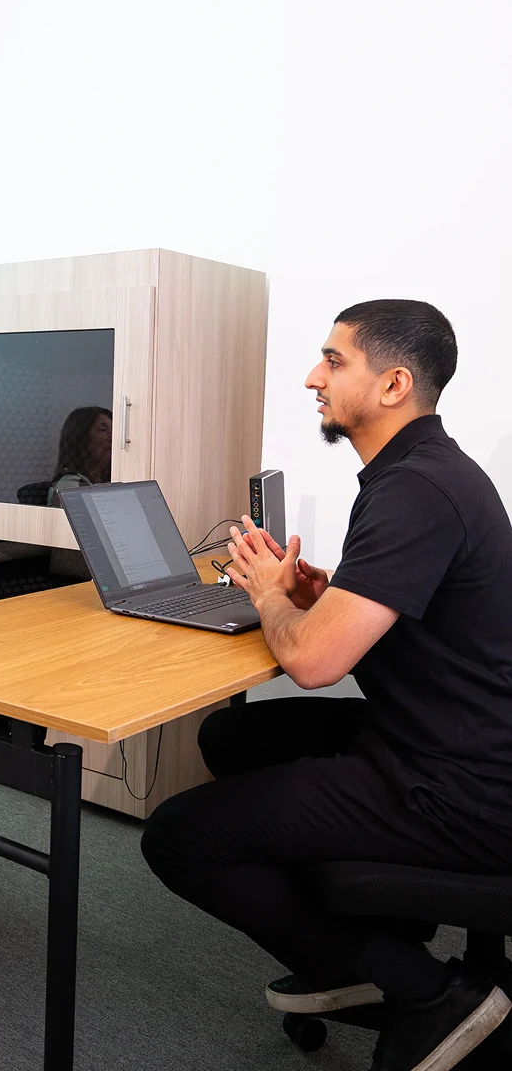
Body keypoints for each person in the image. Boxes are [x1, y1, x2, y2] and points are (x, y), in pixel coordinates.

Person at [140, 300, 512, 1071]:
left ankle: (419, 988)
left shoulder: (417, 489)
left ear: (394, 384)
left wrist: (270, 597)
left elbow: (313, 666)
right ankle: (378, 929)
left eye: (335, 361)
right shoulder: (418, 472)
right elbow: (410, 607)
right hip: (448, 741)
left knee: (178, 837)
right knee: (230, 736)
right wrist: (323, 596)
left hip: (462, 788)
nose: (314, 377)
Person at [45, 405, 113, 506]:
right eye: (103, 430)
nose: (112, 438)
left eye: (114, 430)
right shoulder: (70, 486)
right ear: (81, 438)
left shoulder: (106, 481)